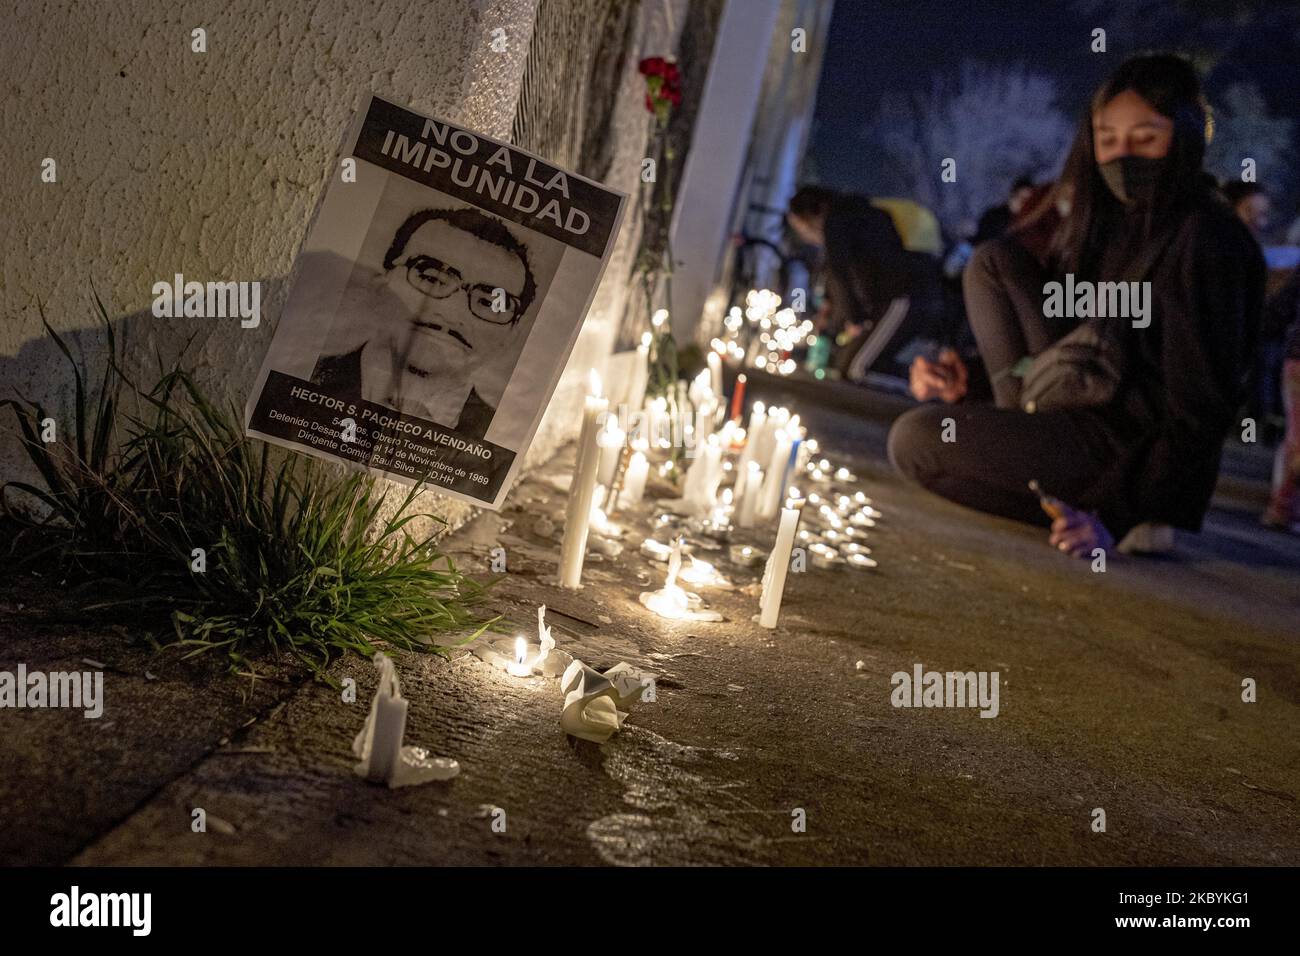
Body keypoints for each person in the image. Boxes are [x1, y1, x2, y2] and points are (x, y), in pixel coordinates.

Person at [888, 54, 1265, 558]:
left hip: (1124, 448)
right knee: (993, 262)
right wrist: (971, 380)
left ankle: (1118, 511)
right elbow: (1075, 340)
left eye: (1146, 138)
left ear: (1187, 136)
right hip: (1077, 404)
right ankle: (1054, 484)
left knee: (918, 440)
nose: (1123, 156)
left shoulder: (1207, 238)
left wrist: (1120, 510)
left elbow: (1200, 409)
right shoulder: (1111, 227)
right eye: (1108, 140)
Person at [312, 207, 537, 440]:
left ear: (513, 334)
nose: (452, 312)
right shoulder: (300, 382)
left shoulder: (498, 438)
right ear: (381, 282)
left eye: (490, 303)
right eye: (431, 278)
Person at [786, 186, 950, 384]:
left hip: (901, 296)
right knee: (852, 364)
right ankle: (928, 383)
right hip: (907, 294)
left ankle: (930, 390)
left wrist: (854, 319)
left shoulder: (835, 222)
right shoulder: (864, 211)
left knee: (858, 368)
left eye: (803, 229)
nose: (807, 238)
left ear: (813, 214)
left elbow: (841, 276)